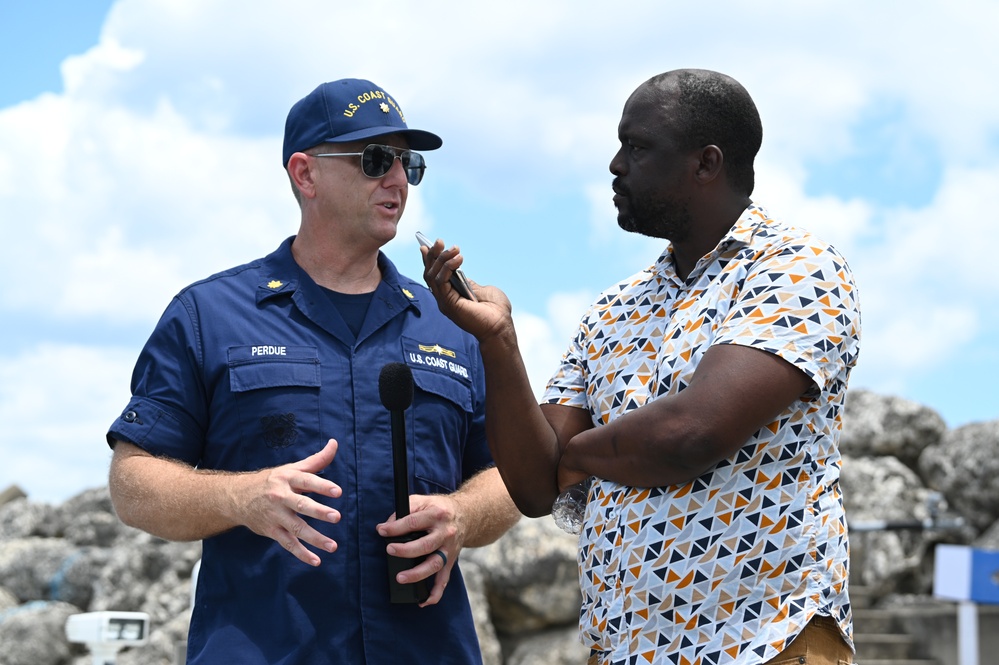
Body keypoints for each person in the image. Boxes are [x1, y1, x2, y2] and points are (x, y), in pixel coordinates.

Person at [421, 69, 861, 665]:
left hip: (763, 643)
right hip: (628, 651)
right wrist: (499, 342)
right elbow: (531, 486)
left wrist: (571, 457)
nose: (615, 163)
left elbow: (692, 433)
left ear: (706, 164)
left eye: (638, 146)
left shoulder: (797, 269)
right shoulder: (613, 309)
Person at [106, 78, 520, 665]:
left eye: (408, 162)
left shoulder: (453, 322)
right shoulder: (209, 316)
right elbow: (131, 484)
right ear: (305, 174)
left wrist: (464, 514)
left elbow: (509, 475)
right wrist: (240, 497)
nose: (397, 179)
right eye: (375, 159)